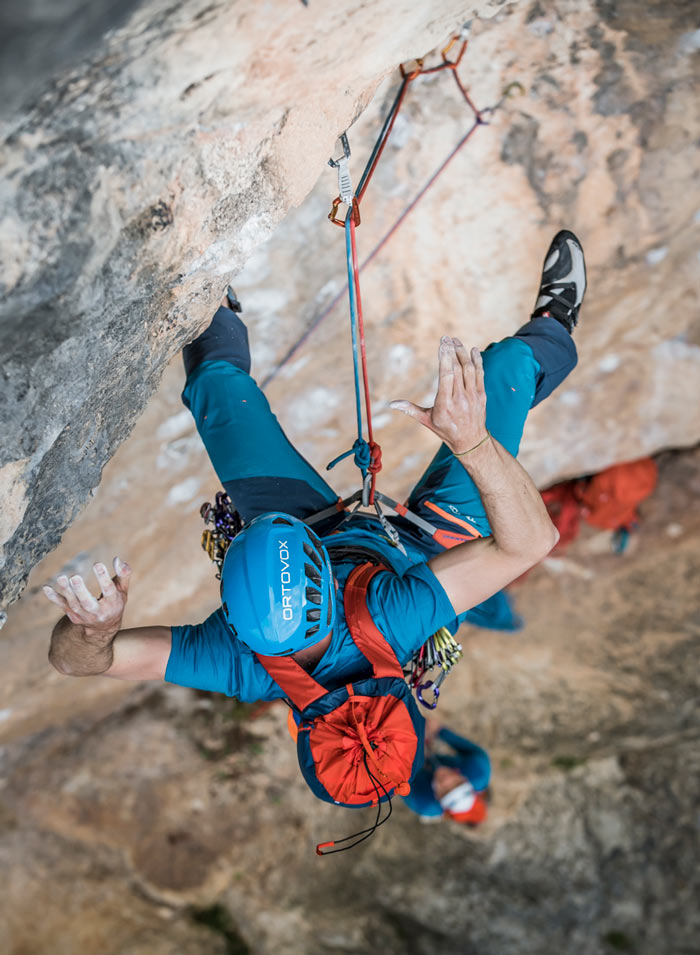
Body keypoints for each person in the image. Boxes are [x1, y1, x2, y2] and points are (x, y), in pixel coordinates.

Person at [44, 231, 586, 719]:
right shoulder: (398, 613)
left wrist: (95, 631)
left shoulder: (239, 660)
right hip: (430, 547)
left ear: (235, 620)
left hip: (320, 529)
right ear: (323, 579)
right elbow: (530, 543)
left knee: (219, 395)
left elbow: (78, 664)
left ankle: (213, 297)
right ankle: (556, 327)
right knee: (508, 368)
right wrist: (471, 442)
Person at [401, 720, 491, 825]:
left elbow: (395, 773)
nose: (446, 781)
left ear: (437, 798)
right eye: (457, 783)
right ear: (465, 778)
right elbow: (437, 728)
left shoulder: (422, 801)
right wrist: (436, 730)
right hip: (442, 762)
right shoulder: (478, 770)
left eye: (445, 791)